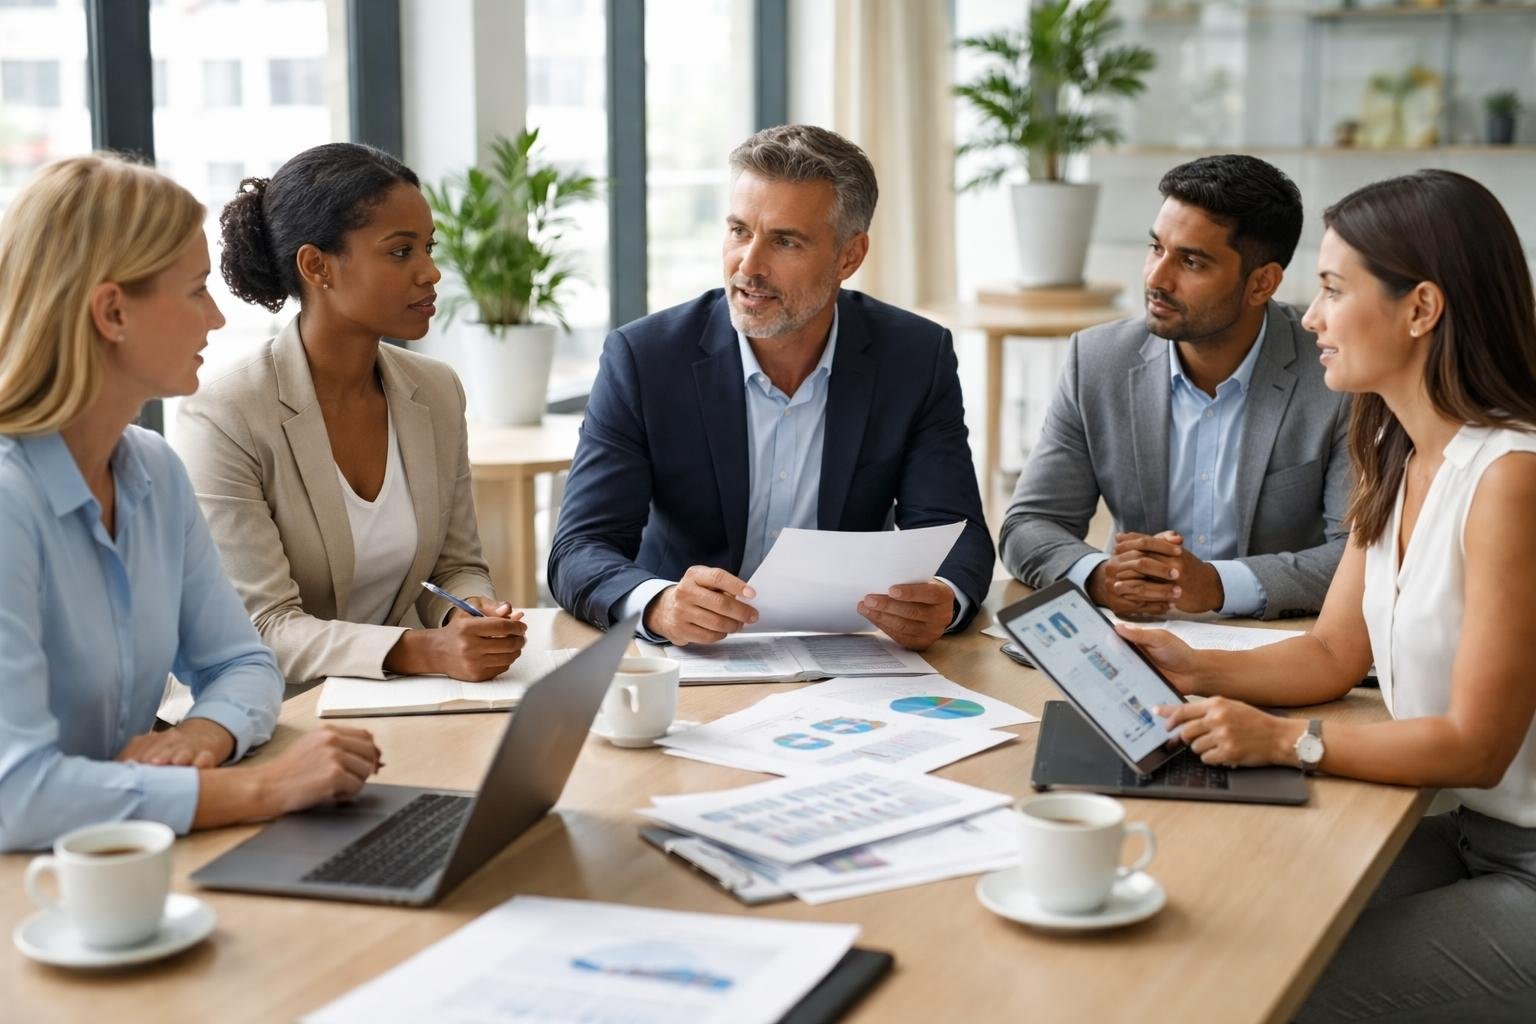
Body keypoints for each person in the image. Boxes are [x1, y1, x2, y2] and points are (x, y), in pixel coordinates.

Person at [1118, 171, 1536, 1021]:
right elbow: (1333, 651)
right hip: (1464, 833)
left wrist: (1288, 743)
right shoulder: (1394, 443)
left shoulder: (1511, 479)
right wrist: (1192, 667)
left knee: (1278, 992)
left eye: (1334, 291)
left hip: (1522, 857)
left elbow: (1475, 748)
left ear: (1421, 309)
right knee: (1239, 919)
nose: (1309, 317)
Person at [0, 155, 382, 851]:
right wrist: (263, 788)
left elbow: (242, 664)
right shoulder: (8, 502)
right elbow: (15, 795)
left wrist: (206, 733)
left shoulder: (153, 471)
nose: (214, 318)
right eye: (196, 291)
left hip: (119, 858)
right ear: (113, 311)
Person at [548, 125, 993, 650]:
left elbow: (956, 532)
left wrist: (941, 599)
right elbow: (580, 548)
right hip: (691, 662)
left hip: (847, 655)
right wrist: (658, 603)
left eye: (785, 241)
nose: (748, 266)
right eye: (739, 231)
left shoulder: (914, 357)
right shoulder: (645, 359)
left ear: (849, 256)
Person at [175, 143, 525, 688]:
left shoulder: (435, 392)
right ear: (317, 266)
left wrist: (471, 614)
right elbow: (264, 627)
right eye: (400, 252)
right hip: (275, 713)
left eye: (428, 248)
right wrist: (426, 650)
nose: (431, 272)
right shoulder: (226, 414)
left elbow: (454, 565)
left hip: (407, 705)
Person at [1000, 155, 1351, 620]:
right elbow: (1029, 524)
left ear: (1262, 283)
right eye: (1156, 248)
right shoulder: (1098, 361)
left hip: (1281, 644)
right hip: (1136, 639)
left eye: (1191, 261)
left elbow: (1358, 556)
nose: (1156, 278)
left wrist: (1217, 585)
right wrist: (1099, 576)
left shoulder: (1336, 375)